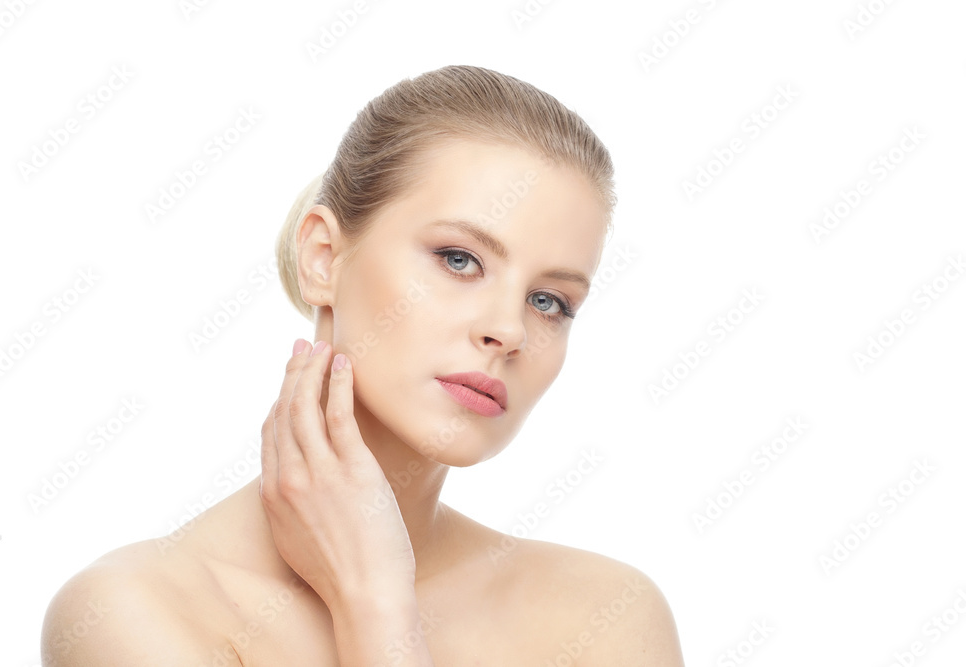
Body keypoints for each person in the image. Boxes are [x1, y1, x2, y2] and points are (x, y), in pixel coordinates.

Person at [41, 65, 684, 666]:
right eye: (460, 260)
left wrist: (375, 606)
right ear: (323, 257)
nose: (509, 329)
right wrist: (373, 601)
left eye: (549, 301)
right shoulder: (132, 613)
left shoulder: (607, 616)